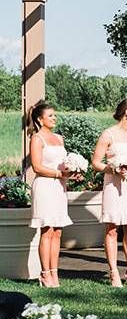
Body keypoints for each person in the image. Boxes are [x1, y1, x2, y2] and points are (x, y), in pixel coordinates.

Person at [91, 99, 127, 287]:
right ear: (126, 113)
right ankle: (114, 272)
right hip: (113, 187)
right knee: (113, 228)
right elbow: (96, 162)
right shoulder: (109, 134)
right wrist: (113, 169)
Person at [28, 102, 74, 287]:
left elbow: (62, 163)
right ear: (40, 119)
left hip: (59, 188)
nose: (54, 118)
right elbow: (37, 166)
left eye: (55, 115)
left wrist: (71, 172)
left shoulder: (59, 138)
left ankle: (55, 273)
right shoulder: (37, 139)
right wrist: (58, 174)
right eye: (50, 116)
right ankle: (45, 274)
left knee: (58, 231)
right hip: (45, 187)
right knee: (47, 230)